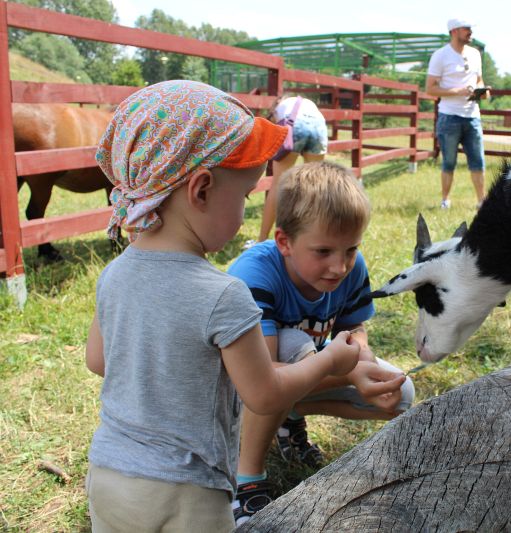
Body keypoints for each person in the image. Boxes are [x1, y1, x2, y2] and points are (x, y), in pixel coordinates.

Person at [84, 80, 363, 532]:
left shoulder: (114, 272)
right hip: (187, 490)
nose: (247, 211)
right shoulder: (223, 293)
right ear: (201, 190)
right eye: (246, 196)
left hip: (109, 476)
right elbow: (266, 394)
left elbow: (98, 361)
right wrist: (331, 360)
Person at [227, 161, 414, 524]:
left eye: (350, 250)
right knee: (291, 342)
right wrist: (349, 374)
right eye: (324, 251)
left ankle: (289, 414)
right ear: (284, 241)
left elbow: (355, 327)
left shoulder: (350, 269)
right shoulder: (254, 275)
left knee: (401, 397)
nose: (340, 267)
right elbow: (262, 375)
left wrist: (364, 361)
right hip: (241, 386)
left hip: (298, 371)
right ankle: (245, 480)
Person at [426, 17, 491, 209]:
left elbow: (479, 79)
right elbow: (430, 89)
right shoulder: (440, 56)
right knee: (449, 161)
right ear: (454, 31)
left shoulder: (475, 54)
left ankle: (481, 202)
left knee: (478, 160)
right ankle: (445, 200)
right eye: (466, 29)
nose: (470, 32)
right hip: (449, 116)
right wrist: (456, 92)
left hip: (472, 116)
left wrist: (482, 90)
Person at [258, 95, 328, 241]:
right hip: (319, 125)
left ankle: (262, 239)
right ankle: (317, 237)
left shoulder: (278, 109)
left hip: (297, 124)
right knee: (317, 185)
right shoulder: (306, 102)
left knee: (278, 184)